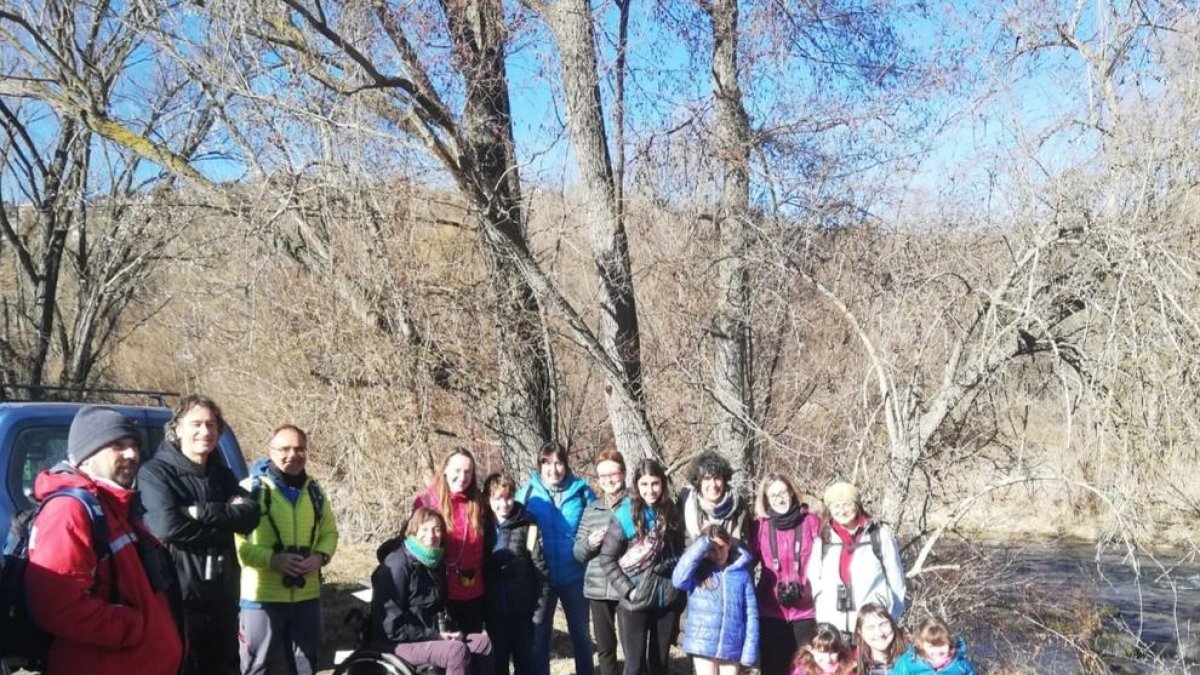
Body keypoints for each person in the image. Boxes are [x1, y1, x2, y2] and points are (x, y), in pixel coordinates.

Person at [25, 405, 184, 675]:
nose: (132, 454)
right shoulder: (69, 511)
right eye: (118, 445)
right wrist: (133, 627)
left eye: (133, 445)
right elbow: (57, 606)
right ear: (87, 457)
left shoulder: (116, 507)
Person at [139, 395, 260, 675]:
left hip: (223, 597)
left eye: (212, 424)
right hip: (179, 599)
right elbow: (167, 527)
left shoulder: (222, 474)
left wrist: (200, 512)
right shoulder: (155, 474)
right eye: (196, 424)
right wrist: (226, 522)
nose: (205, 432)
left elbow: (252, 516)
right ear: (178, 428)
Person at [236, 424, 339, 675]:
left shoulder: (314, 491)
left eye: (299, 449)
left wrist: (320, 557)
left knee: (306, 666)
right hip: (260, 599)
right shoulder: (250, 488)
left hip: (306, 596)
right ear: (270, 451)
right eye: (285, 448)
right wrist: (272, 560)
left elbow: (329, 532)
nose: (293, 455)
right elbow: (238, 543)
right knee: (255, 667)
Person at [368, 507, 493, 675]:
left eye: (437, 529)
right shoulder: (398, 565)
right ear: (413, 531)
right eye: (424, 529)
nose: (431, 535)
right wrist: (435, 636)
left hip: (428, 636)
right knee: (455, 652)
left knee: (481, 643)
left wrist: (450, 632)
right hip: (396, 643)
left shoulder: (434, 563)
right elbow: (391, 627)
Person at [597, 458, 686, 675]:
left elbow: (679, 550)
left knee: (660, 662)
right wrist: (629, 590)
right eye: (644, 484)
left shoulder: (671, 512)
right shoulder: (626, 515)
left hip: (666, 599)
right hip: (635, 602)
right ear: (636, 484)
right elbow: (607, 559)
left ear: (663, 484)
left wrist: (672, 570)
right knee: (634, 665)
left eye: (655, 483)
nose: (650, 490)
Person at [515, 442, 596, 675]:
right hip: (542, 578)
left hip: (575, 575)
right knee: (539, 636)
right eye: (547, 463)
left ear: (566, 464)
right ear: (540, 465)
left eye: (558, 462)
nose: (554, 469)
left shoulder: (582, 491)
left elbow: (598, 521)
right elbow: (514, 528)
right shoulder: (528, 493)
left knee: (581, 636)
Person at [807, 481, 905, 637]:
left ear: (857, 505)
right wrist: (822, 612)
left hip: (872, 629)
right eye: (836, 506)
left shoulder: (878, 535)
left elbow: (896, 581)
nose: (842, 511)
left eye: (846, 504)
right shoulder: (823, 539)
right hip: (833, 629)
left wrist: (889, 619)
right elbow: (814, 579)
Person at [750, 473, 820, 675]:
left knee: (806, 669)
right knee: (773, 668)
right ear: (765, 500)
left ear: (791, 491)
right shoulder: (760, 527)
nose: (780, 499)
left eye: (783, 492)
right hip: (771, 610)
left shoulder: (812, 522)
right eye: (773, 496)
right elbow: (745, 564)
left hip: (806, 611)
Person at [413, 448, 487, 634]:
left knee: (474, 648)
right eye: (457, 470)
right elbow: (414, 546)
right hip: (440, 591)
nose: (462, 477)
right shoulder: (426, 502)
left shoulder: (478, 501)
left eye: (467, 472)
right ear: (445, 468)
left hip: (473, 590)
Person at [483, 473, 548, 675]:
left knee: (524, 664)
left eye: (508, 497)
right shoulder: (481, 526)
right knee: (497, 664)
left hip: (523, 611)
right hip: (493, 612)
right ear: (488, 499)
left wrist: (539, 611)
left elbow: (540, 568)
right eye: (497, 498)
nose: (504, 504)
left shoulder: (528, 524)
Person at [672, 523, 759, 675]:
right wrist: (701, 544)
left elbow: (751, 614)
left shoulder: (741, 574)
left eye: (721, 547)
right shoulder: (698, 572)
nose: (718, 554)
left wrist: (750, 649)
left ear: (729, 544)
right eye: (712, 549)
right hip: (703, 642)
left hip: (732, 644)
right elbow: (678, 580)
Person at [573, 448, 630, 675]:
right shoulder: (591, 509)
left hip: (627, 586)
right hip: (598, 589)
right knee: (605, 648)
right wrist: (590, 543)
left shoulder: (635, 505)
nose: (608, 480)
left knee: (632, 647)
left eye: (613, 474)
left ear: (623, 474)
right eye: (603, 476)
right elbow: (577, 552)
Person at [678, 451, 751, 545]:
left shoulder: (739, 507)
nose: (713, 484)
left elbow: (747, 546)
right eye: (707, 479)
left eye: (717, 478)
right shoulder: (686, 507)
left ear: (724, 480)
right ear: (698, 483)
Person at [890, 618, 976, 675]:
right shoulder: (909, 663)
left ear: (949, 641)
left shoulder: (960, 664)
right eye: (931, 646)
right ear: (921, 644)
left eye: (942, 645)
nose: (938, 651)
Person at [853, 603, 907, 675]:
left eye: (883, 624)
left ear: (892, 624)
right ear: (860, 632)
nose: (880, 633)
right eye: (871, 627)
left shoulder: (913, 659)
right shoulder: (853, 669)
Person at [789, 623, 855, 675]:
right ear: (811, 650)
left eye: (833, 652)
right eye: (822, 652)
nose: (828, 659)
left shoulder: (848, 670)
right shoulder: (802, 671)